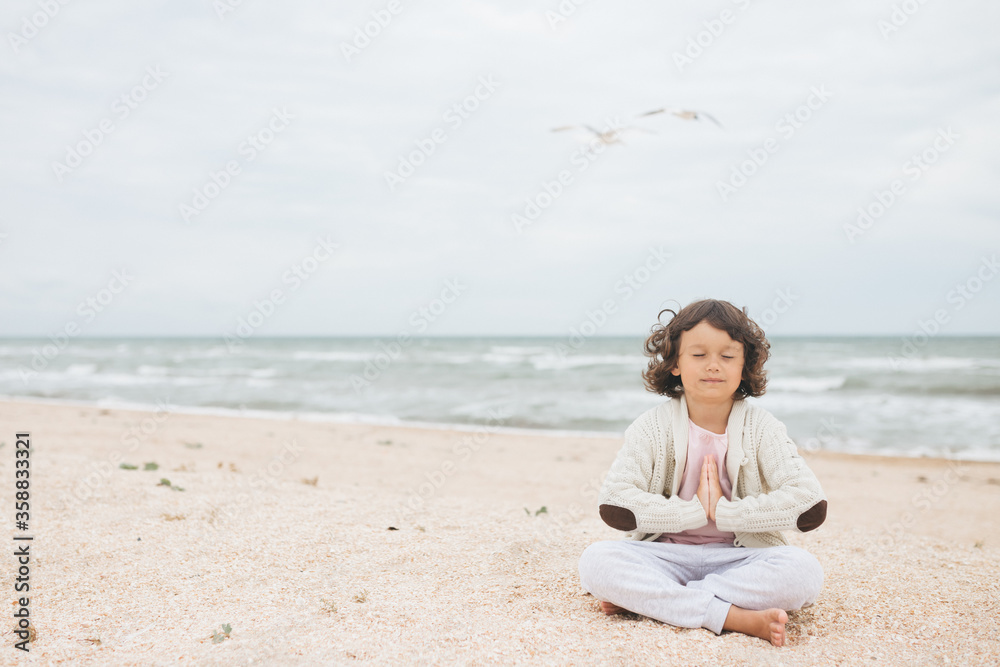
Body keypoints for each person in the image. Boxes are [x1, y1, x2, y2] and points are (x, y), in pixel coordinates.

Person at [578, 298, 827, 647]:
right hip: (666, 555)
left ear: (744, 366)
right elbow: (615, 501)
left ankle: (656, 602)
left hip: (740, 558)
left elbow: (809, 501)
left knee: (804, 571)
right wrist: (692, 511)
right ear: (675, 364)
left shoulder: (763, 427)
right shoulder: (652, 426)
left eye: (727, 356)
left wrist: (724, 512)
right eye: (699, 355)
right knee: (597, 561)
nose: (713, 366)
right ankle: (733, 616)